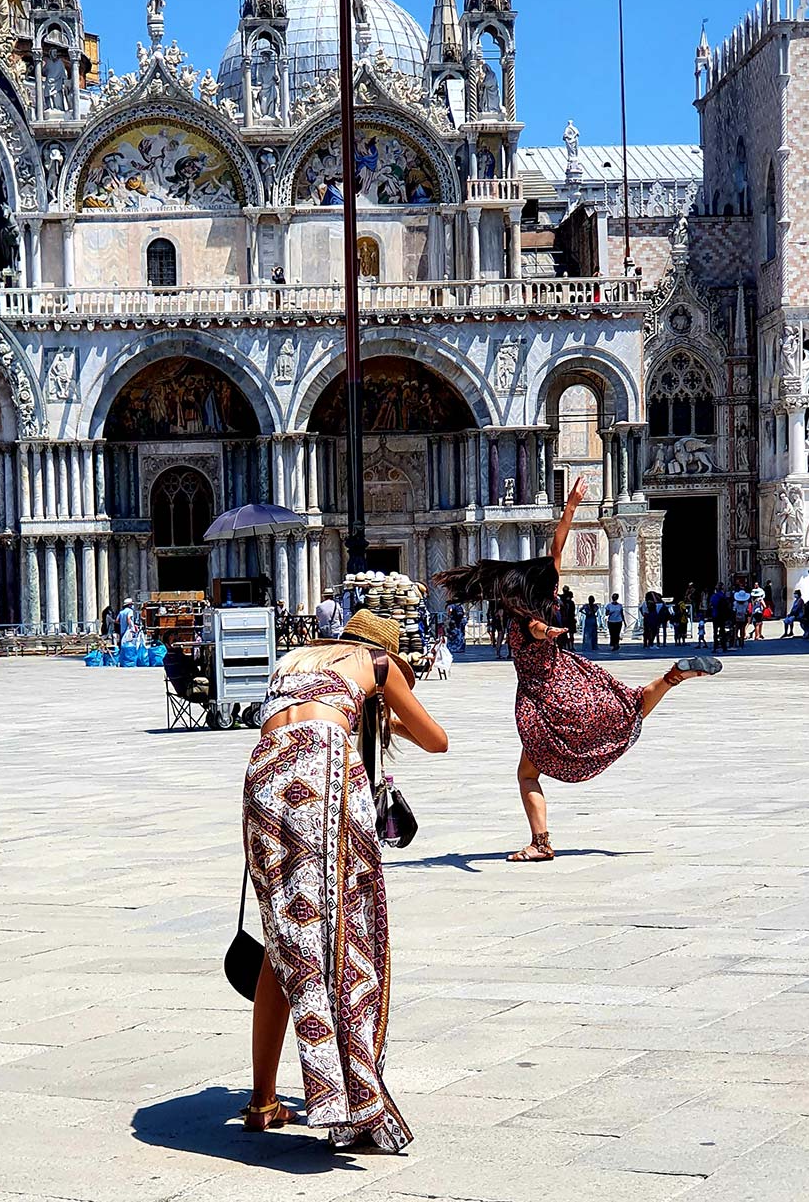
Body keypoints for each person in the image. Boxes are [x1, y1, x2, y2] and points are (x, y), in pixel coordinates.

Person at [435, 477, 722, 863]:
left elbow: (537, 629)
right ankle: (671, 677)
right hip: (579, 681)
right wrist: (570, 506)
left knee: (527, 775)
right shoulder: (546, 604)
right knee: (631, 705)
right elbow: (557, 548)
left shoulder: (524, 616)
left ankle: (540, 842)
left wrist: (548, 631)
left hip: (545, 701)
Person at [242, 611, 448, 1150]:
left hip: (264, 774)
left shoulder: (293, 660)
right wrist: (390, 715)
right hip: (323, 771)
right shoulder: (379, 665)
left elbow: (300, 715)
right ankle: (349, 1093)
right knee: (344, 929)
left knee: (285, 939)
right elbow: (437, 740)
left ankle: (263, 1102)